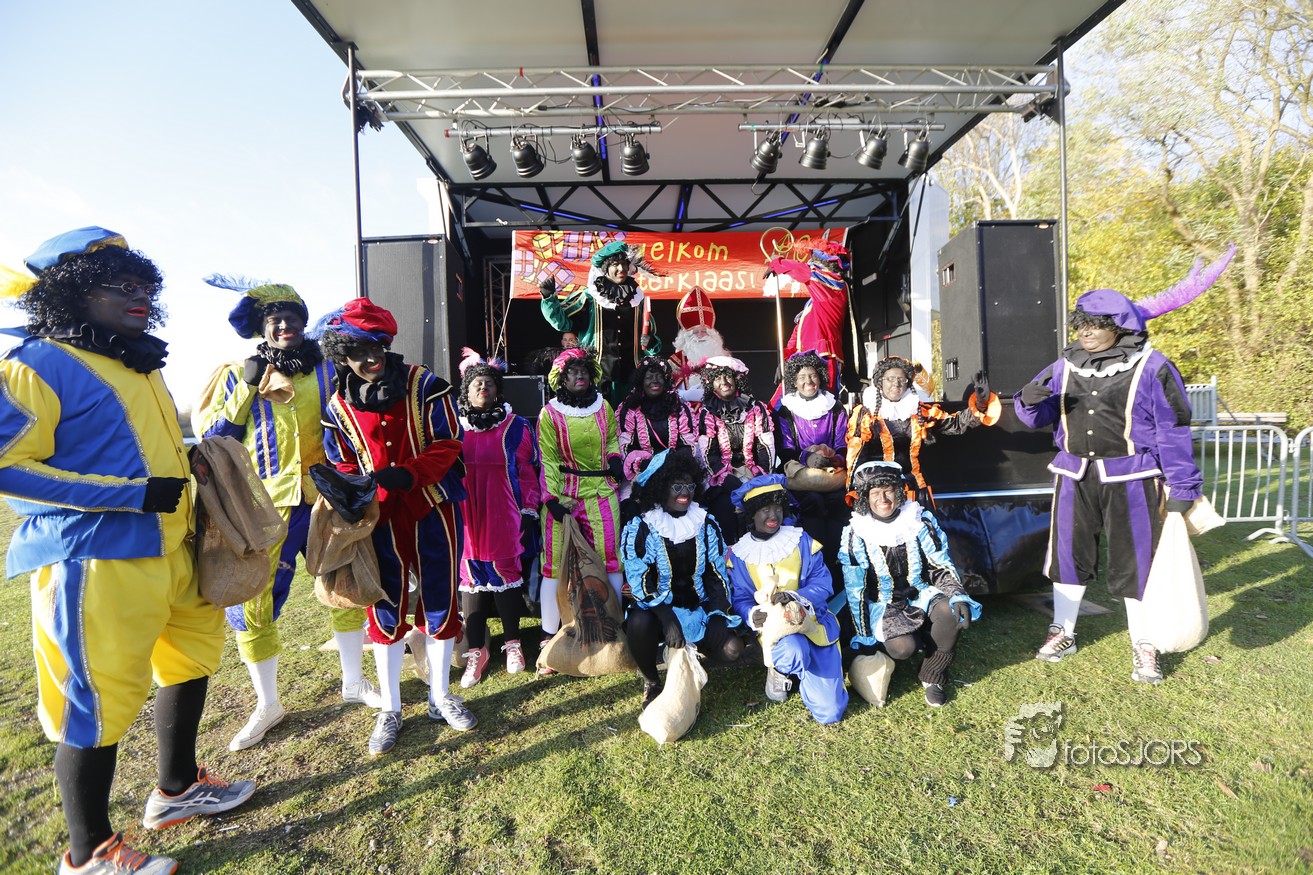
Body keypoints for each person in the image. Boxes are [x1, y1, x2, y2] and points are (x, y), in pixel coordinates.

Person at [0, 227, 254, 873]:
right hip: (94, 558)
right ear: (72, 291)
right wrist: (131, 494)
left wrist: (191, 463)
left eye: (145, 285)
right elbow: (7, 466)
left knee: (190, 660)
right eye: (120, 285)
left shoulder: (137, 359)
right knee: (94, 698)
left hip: (174, 549)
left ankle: (176, 789)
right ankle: (88, 854)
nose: (139, 296)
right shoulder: (34, 363)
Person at [1014, 250, 1232, 683]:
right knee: (1067, 558)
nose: (1087, 333)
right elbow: (1036, 416)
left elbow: (1173, 429)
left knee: (1136, 562)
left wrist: (1183, 487)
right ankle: (1063, 631)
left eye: (1097, 326)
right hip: (1074, 476)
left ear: (1121, 328)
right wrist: (1029, 401)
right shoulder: (1064, 365)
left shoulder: (1154, 366)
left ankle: (1144, 644)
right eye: (1082, 325)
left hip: (1133, 478)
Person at [195, 274, 379, 752]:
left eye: (293, 318)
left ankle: (354, 681)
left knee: (345, 584)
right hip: (265, 507)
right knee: (253, 602)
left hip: (326, 498)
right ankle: (268, 703)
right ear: (262, 327)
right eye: (275, 320)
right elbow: (216, 438)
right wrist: (248, 385)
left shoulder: (328, 369)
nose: (285, 326)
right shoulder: (235, 373)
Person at [318, 298, 476, 755]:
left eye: (378, 348)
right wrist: (353, 489)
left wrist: (408, 474)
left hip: (431, 505)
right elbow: (341, 460)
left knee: (441, 599)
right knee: (384, 606)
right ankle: (390, 708)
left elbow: (449, 442)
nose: (371, 358)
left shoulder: (426, 384)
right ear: (343, 354)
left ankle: (440, 696)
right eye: (359, 351)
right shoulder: (336, 405)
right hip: (377, 518)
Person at [838, 461, 982, 706]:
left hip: (921, 593)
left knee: (949, 610)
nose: (883, 499)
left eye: (888, 491)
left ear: (898, 492)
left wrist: (956, 594)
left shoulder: (919, 520)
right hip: (884, 602)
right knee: (903, 649)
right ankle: (914, 638)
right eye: (875, 493)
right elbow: (856, 589)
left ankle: (933, 675)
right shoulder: (856, 532)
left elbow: (939, 564)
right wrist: (864, 635)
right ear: (865, 497)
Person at [620, 449, 745, 707]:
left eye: (689, 485)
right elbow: (640, 580)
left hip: (698, 608)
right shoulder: (643, 527)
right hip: (658, 612)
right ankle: (652, 681)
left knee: (732, 650)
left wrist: (718, 614)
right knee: (639, 623)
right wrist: (666, 618)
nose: (685, 492)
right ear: (660, 488)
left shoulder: (705, 524)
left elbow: (716, 575)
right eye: (677, 486)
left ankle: (692, 653)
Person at [726, 475, 848, 724]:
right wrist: (751, 613)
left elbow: (823, 584)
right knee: (794, 651)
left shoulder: (802, 541)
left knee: (831, 712)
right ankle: (780, 669)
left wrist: (794, 597)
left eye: (778, 508)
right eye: (765, 509)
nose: (773, 515)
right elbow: (740, 597)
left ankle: (808, 675)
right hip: (778, 632)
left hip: (815, 624)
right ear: (752, 514)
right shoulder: (739, 555)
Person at [454, 348, 541, 687]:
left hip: (504, 512)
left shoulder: (516, 426)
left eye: (488, 383)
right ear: (467, 390)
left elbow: (528, 471)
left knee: (505, 574)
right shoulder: (453, 427)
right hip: (465, 513)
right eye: (477, 383)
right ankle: (477, 650)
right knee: (471, 577)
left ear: (497, 389)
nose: (483, 387)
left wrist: (529, 508)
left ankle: (513, 644)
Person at [537, 347, 626, 662]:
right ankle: (549, 636)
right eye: (573, 372)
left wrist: (615, 458)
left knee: (611, 558)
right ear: (562, 379)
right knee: (554, 563)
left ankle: (614, 625)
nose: (580, 376)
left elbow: (612, 438)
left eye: (584, 371)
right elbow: (548, 459)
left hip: (602, 491)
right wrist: (551, 499)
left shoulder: (604, 407)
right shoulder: (550, 414)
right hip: (565, 496)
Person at [845, 356, 997, 507]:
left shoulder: (918, 412)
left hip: (913, 488)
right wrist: (857, 494)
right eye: (890, 379)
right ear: (880, 381)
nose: (896, 383)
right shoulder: (865, 414)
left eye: (901, 379)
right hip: (879, 493)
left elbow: (955, 423)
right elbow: (856, 457)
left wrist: (980, 405)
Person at [539, 240, 659, 398]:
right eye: (615, 264)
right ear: (605, 268)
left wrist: (650, 342)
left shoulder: (638, 299)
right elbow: (562, 323)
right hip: (597, 380)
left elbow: (652, 338)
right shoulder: (590, 297)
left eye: (624, 263)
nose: (621, 269)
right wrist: (548, 298)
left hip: (632, 378)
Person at [773, 349, 850, 568]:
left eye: (813, 375)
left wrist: (833, 459)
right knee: (813, 502)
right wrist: (807, 457)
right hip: (800, 474)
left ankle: (837, 563)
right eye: (802, 377)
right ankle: (815, 563)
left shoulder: (835, 407)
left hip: (832, 471)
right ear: (794, 381)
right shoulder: (786, 410)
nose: (809, 381)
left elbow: (843, 443)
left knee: (837, 502)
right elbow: (785, 449)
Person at [695, 355, 776, 540]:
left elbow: (766, 447)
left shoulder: (756, 408)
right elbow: (707, 454)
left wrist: (759, 474)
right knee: (725, 511)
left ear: (737, 379)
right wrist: (727, 479)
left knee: (761, 511)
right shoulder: (707, 413)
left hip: (754, 475)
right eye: (718, 378)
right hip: (721, 479)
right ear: (711, 383)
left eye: (728, 376)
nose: (724, 382)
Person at [764, 236, 850, 398]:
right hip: (801, 362)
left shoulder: (834, 286)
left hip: (823, 358)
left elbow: (804, 272)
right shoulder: (813, 304)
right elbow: (797, 335)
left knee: (823, 406)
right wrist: (785, 358)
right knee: (779, 405)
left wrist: (778, 263)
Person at [615, 356, 699, 503]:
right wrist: (645, 465)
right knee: (631, 506)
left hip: (674, 472)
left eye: (659, 376)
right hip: (641, 473)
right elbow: (625, 446)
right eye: (649, 377)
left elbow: (688, 444)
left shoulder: (680, 408)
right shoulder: (629, 410)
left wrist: (669, 464)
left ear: (666, 380)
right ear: (641, 381)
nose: (655, 381)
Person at [666, 286, 729, 405]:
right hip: (684, 413)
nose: (700, 335)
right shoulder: (675, 362)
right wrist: (683, 395)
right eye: (695, 332)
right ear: (685, 337)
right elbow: (664, 392)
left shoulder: (724, 360)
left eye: (704, 331)